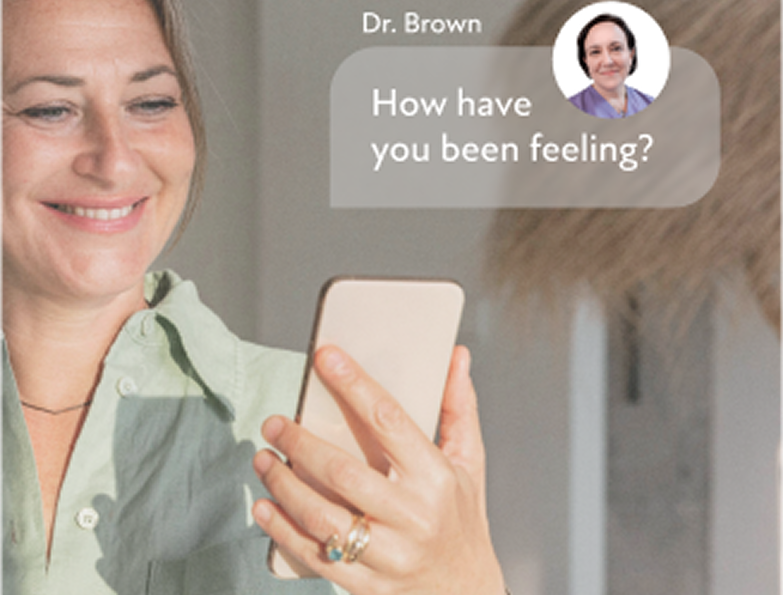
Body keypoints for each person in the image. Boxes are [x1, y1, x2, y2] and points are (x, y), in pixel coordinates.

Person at [0, 0, 507, 594]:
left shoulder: (326, 435)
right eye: (50, 109)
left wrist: (464, 580)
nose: (114, 160)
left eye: (152, 103)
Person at [568, 13, 654, 119]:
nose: (607, 61)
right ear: (585, 61)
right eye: (595, 52)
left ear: (631, 55)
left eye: (616, 49)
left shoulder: (652, 104)